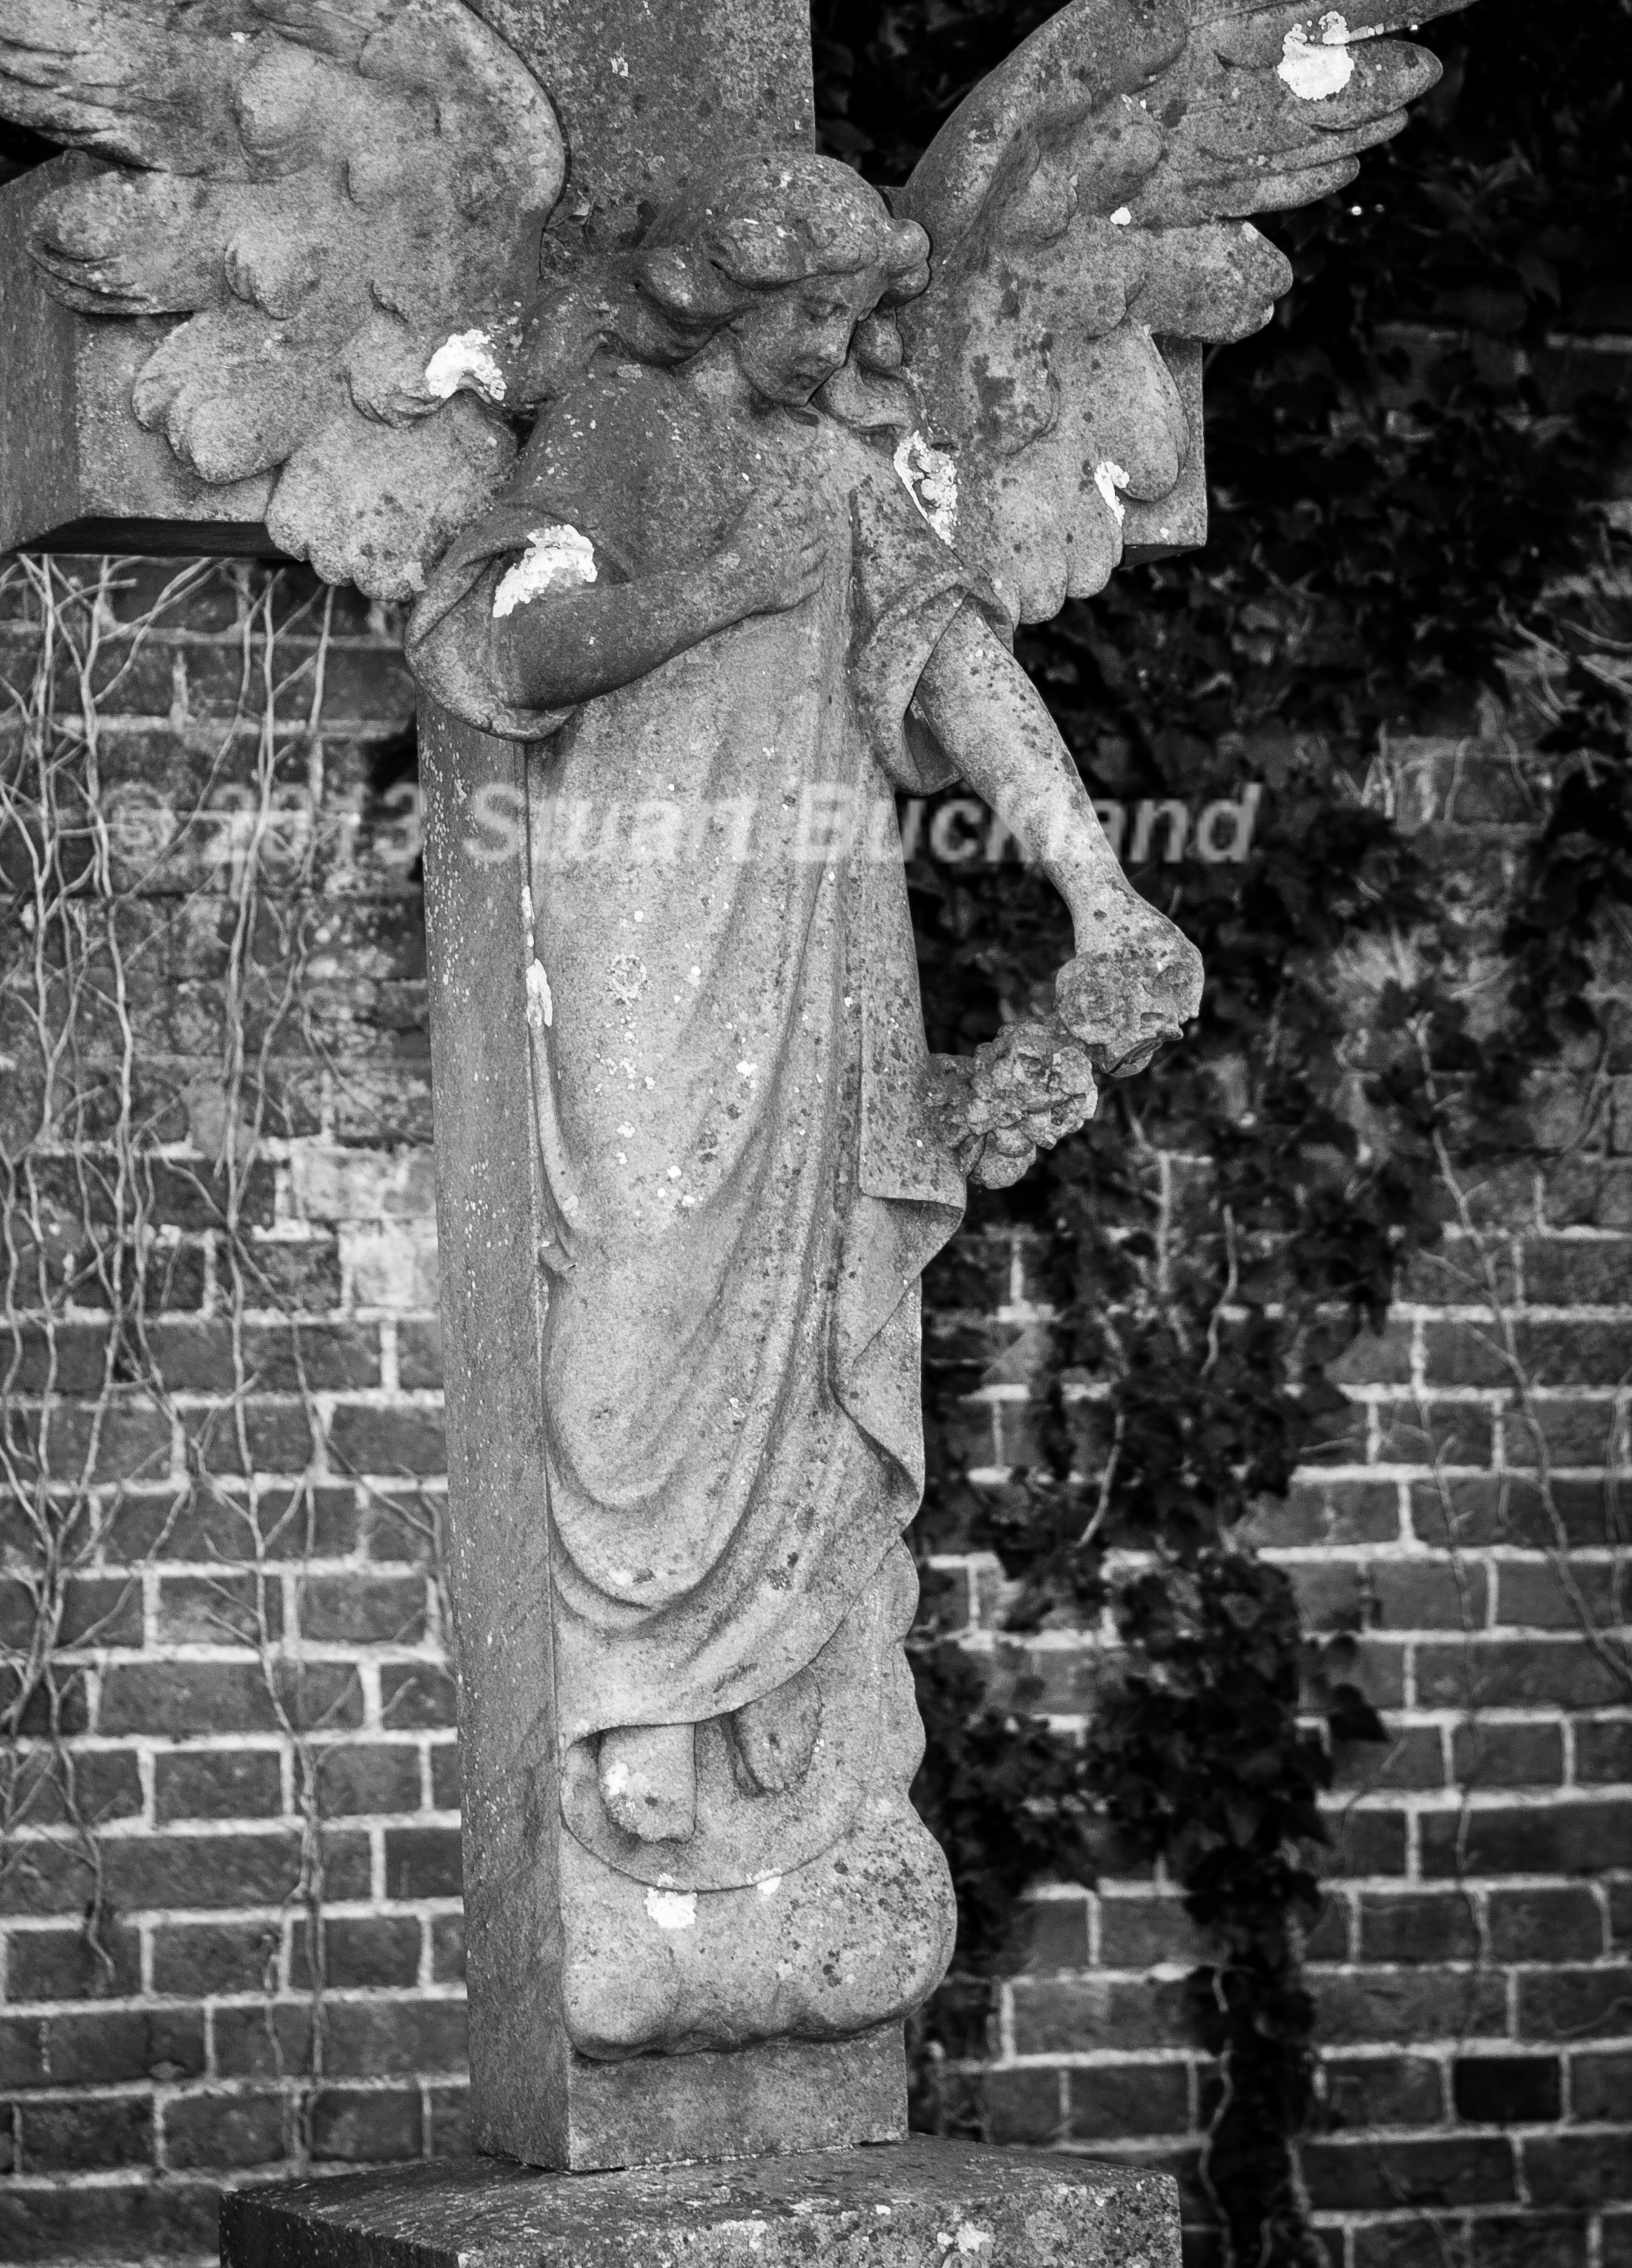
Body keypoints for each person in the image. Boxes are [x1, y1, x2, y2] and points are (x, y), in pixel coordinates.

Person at [407, 151, 1197, 1873]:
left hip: (824, 915)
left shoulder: (841, 472)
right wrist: (721, 593)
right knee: (645, 1255)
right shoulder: (622, 426)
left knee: (821, 1247)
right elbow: (507, 653)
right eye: (817, 314)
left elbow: (967, 674)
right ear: (730, 295)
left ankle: (767, 1648)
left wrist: (1100, 887)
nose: (843, 348)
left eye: (858, 315)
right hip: (641, 908)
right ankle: (634, 1679)